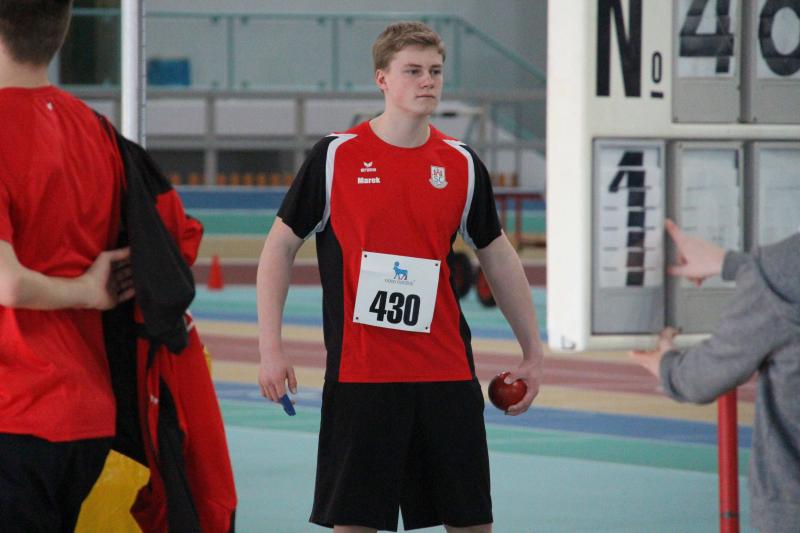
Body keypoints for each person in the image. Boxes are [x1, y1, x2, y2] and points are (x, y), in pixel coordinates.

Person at [257, 20, 544, 533]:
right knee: (355, 524)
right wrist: (269, 348)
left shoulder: (460, 163)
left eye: (435, 71)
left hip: (446, 374)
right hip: (362, 378)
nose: (427, 81)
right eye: (413, 70)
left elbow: (498, 254)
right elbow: (280, 246)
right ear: (382, 79)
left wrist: (533, 351)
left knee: (472, 523)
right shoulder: (335, 157)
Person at [0, 1, 134, 531]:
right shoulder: (96, 129)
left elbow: (8, 284)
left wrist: (85, 290)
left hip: (15, 405)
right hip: (85, 412)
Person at [631, 219, 800, 533]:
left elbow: (702, 377)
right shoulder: (777, 271)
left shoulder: (779, 272)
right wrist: (732, 264)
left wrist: (667, 365)